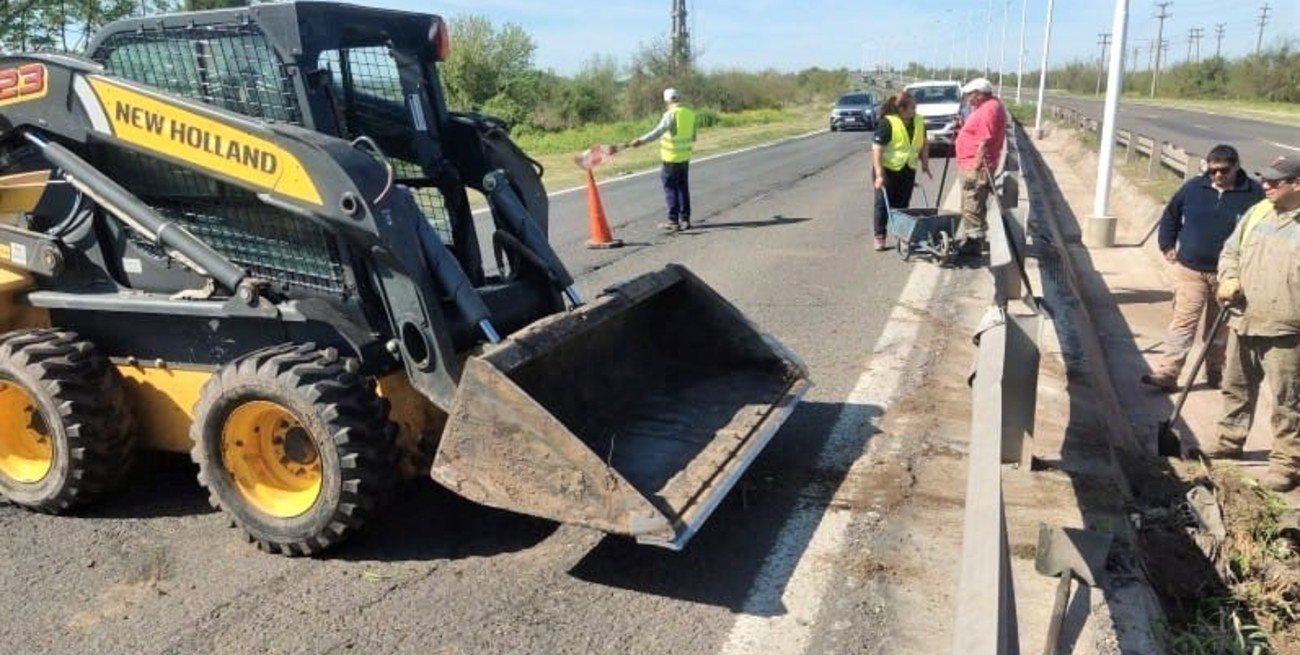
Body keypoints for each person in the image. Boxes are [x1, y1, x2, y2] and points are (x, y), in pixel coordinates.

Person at [1203, 156, 1300, 492]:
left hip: (1288, 331)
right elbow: (1231, 250)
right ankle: (1230, 441)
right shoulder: (1258, 212)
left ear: (1297, 184)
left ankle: (1286, 463)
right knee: (1236, 387)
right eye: (1266, 180)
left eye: (1276, 181)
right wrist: (1228, 278)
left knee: (1288, 401)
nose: (1266, 186)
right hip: (1244, 319)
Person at [1140, 145, 1264, 392]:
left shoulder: (1254, 194)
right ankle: (1168, 372)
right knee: (1183, 322)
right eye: (1212, 171)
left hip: (1229, 275)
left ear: (1237, 166)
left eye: (1223, 171)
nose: (1217, 176)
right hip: (1191, 269)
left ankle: (1215, 371)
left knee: (1219, 328)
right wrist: (1167, 244)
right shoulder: (1194, 188)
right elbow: (1171, 215)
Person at [627, 88, 698, 232]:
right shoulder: (690, 114)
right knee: (683, 188)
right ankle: (685, 219)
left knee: (671, 188)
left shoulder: (670, 115)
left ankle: (673, 220)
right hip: (684, 157)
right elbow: (694, 137)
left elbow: (658, 131)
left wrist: (641, 141)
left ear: (666, 101)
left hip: (670, 159)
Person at [871, 92, 931, 251]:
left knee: (903, 205)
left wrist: (925, 164)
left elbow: (924, 143)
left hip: (908, 169)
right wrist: (879, 174)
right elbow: (877, 149)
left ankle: (902, 235)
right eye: (912, 107)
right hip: (887, 170)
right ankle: (879, 236)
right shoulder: (887, 123)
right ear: (901, 109)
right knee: (883, 204)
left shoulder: (918, 121)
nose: (915, 110)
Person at [952, 77, 1006, 255]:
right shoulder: (987, 107)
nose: (967, 99)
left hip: (976, 165)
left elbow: (984, 141)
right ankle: (975, 238)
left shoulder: (989, 110)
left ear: (980, 95)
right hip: (973, 163)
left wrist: (974, 170)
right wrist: (962, 128)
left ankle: (974, 242)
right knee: (973, 201)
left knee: (972, 201)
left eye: (969, 95)